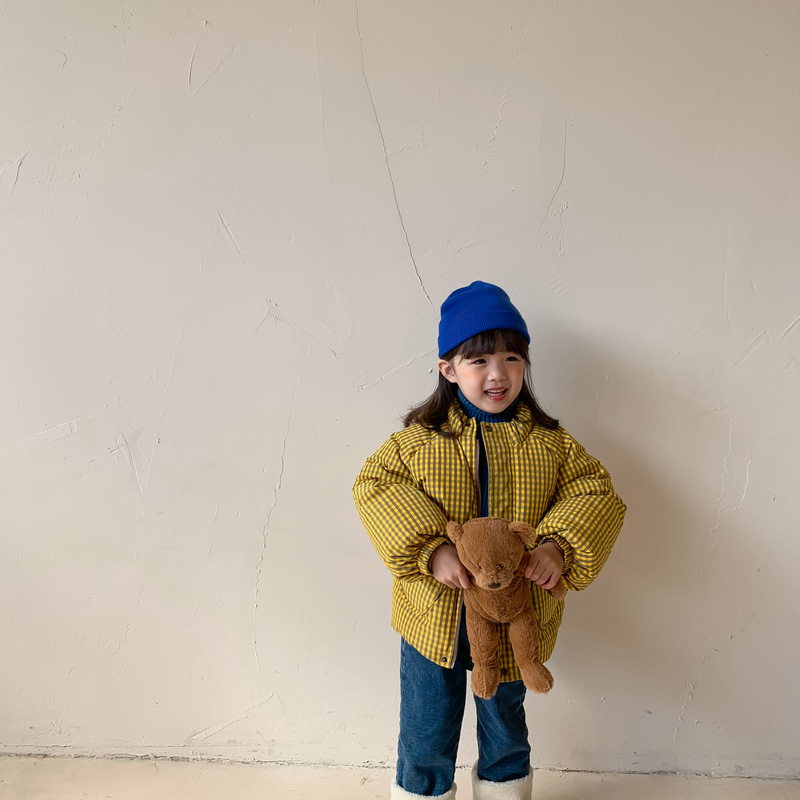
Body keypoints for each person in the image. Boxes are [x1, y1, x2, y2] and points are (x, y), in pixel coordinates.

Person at [353, 281, 626, 800]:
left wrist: (557, 547)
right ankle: (422, 790)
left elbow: (594, 491)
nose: (497, 374)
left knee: (504, 721)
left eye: (511, 358)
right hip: (432, 614)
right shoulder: (417, 442)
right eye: (478, 361)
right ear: (448, 369)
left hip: (513, 614)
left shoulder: (550, 444)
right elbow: (376, 486)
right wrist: (431, 550)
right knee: (426, 724)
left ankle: (504, 788)